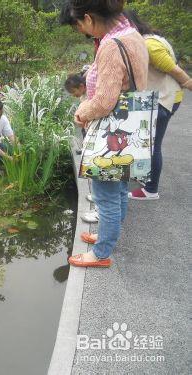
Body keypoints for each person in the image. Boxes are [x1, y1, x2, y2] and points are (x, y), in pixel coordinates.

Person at [61, 0, 149, 268]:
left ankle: (101, 253)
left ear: (88, 18)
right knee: (119, 186)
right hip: (129, 126)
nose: (81, 31)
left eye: (78, 25)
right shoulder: (131, 33)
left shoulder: (111, 46)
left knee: (106, 195)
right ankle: (108, 238)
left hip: (110, 131)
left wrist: (82, 113)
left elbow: (104, 101)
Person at [124, 10, 192, 200]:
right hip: (163, 97)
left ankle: (151, 189)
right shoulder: (151, 39)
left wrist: (188, 83)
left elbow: (174, 70)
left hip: (162, 99)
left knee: (152, 145)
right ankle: (145, 179)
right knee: (147, 142)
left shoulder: (149, 45)